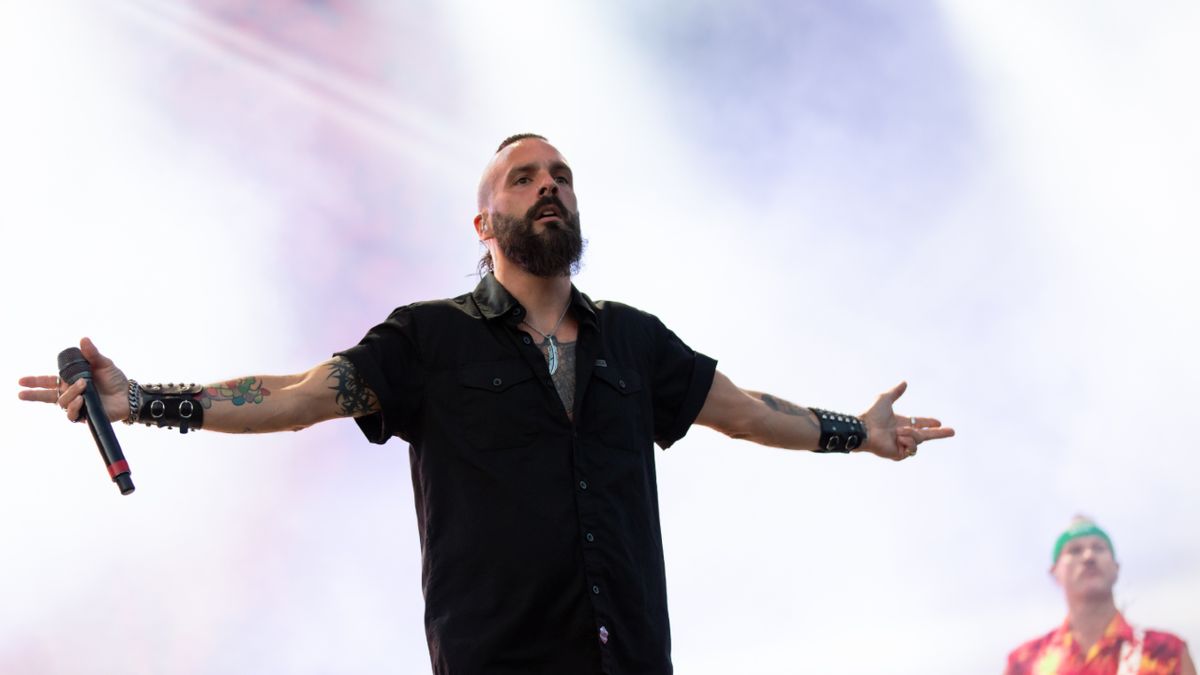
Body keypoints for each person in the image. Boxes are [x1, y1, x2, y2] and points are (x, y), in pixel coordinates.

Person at [19, 133, 955, 675]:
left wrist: (857, 433)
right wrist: (140, 398)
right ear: (484, 224)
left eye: (562, 176)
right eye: (524, 177)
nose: (549, 185)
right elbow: (296, 397)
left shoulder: (634, 341)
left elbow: (747, 409)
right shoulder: (427, 339)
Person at [1005, 516, 1196, 675]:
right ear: (1055, 572)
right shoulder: (1024, 662)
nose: (1088, 556)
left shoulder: (1166, 651)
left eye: (1098, 548)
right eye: (1074, 550)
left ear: (1116, 567)